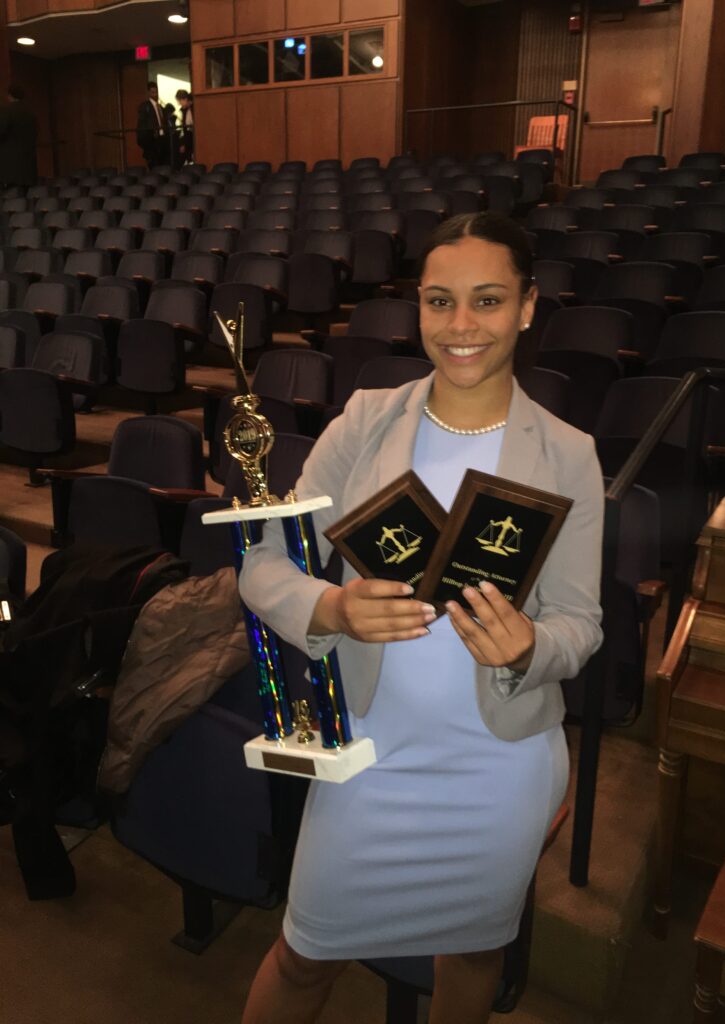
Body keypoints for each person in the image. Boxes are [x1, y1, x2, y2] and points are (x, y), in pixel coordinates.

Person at [238, 212, 604, 1024]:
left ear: (528, 306)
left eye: (487, 300)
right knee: (303, 955)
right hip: (371, 755)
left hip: (497, 769)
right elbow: (263, 564)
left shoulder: (569, 452)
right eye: (440, 302)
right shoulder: (366, 422)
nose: (462, 326)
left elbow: (582, 624)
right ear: (418, 309)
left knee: (471, 957)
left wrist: (530, 648)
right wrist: (330, 606)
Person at [0, 84, 38, 188]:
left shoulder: (6, 111)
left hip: (10, 167)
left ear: (9, 95)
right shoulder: (31, 113)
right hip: (29, 166)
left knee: (10, 200)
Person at [136, 81, 167, 169]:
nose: (155, 94)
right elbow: (142, 125)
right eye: (152, 92)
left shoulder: (160, 107)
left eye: (156, 92)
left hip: (162, 139)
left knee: (163, 164)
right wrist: (145, 142)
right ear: (149, 93)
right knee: (154, 165)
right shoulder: (145, 107)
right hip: (151, 140)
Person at [175, 89, 194, 165]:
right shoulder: (185, 110)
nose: (179, 104)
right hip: (189, 138)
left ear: (185, 99)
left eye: (180, 101)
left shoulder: (192, 109)